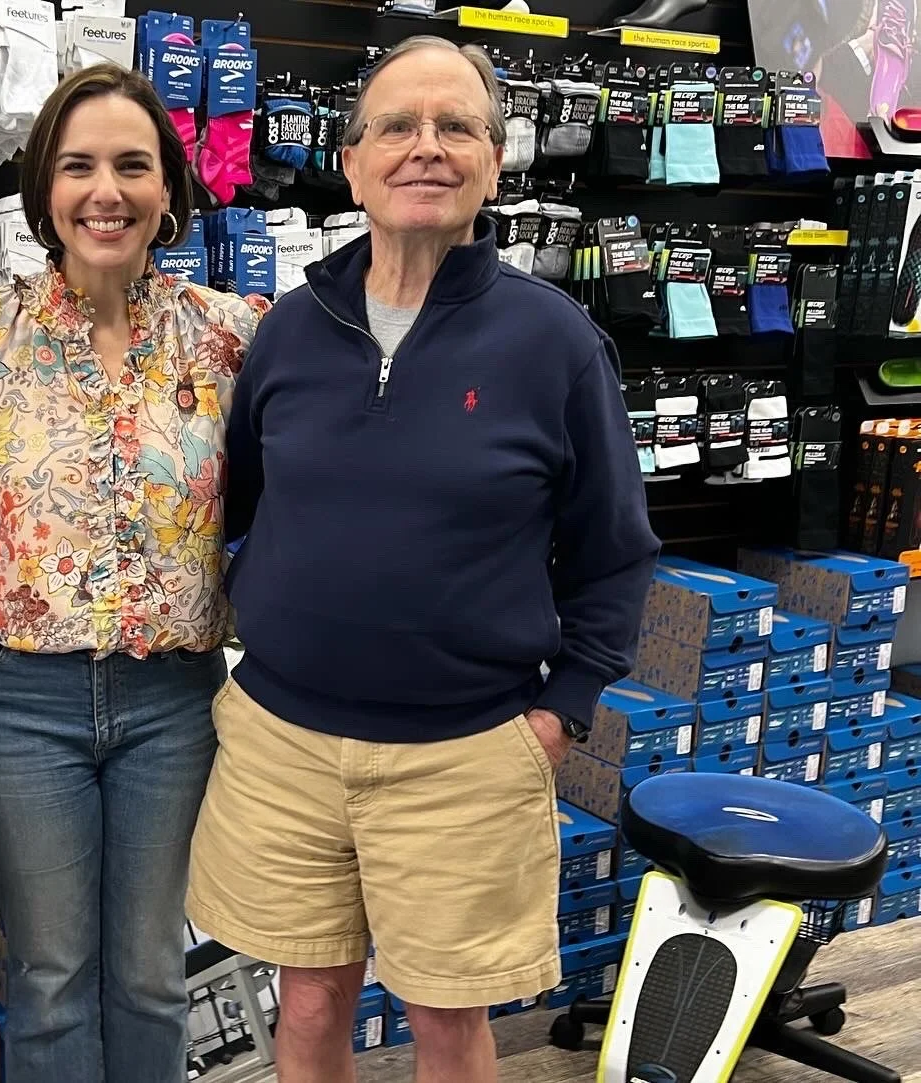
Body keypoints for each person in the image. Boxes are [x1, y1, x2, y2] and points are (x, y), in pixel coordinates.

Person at [185, 35, 661, 1083]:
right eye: (397, 125)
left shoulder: (556, 346)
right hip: (283, 745)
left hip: (467, 753)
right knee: (306, 997)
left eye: (458, 127)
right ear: (351, 163)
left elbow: (616, 552)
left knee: (447, 1019)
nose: (426, 148)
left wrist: (560, 709)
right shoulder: (288, 335)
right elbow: (247, 507)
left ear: (496, 163)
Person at [0, 62, 269, 1083]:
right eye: (78, 166)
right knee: (47, 980)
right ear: (45, 190)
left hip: (174, 704)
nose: (105, 190)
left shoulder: (233, 337)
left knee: (154, 976)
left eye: (131, 164)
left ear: (170, 186)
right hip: (15, 705)